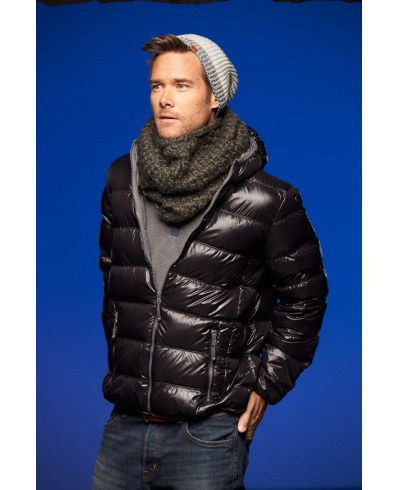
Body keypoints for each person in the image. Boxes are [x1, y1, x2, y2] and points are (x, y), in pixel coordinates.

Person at [92, 33, 328, 490]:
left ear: (215, 96)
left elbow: (306, 298)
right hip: (123, 425)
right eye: (157, 85)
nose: (164, 98)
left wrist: (267, 384)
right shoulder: (122, 177)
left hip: (208, 434)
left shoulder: (269, 199)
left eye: (182, 85)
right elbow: (113, 280)